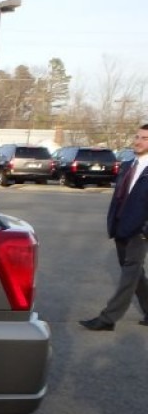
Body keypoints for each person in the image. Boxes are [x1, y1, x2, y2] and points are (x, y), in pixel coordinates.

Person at [79, 124, 148, 331]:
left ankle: (108, 318)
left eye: (144, 138)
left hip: (140, 231)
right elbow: (120, 197)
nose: (137, 141)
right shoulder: (128, 165)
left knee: (129, 274)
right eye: (137, 136)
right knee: (135, 274)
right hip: (121, 226)